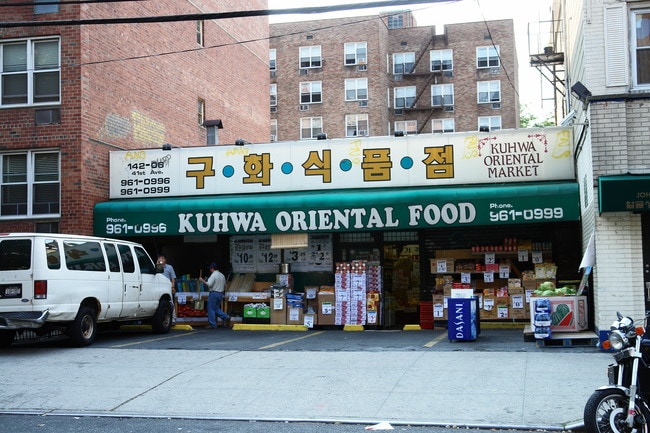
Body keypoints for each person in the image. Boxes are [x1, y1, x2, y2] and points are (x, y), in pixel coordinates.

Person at [200, 262, 230, 329]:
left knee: (211, 309)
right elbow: (225, 285)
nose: (210, 270)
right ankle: (226, 317)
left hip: (214, 293)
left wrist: (202, 280)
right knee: (216, 308)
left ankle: (213, 324)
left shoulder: (213, 275)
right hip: (220, 294)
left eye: (210, 268)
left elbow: (209, 284)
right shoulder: (222, 275)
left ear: (212, 268)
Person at [157, 255, 177, 324]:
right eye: (159, 258)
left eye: (162, 258)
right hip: (159, 288)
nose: (161, 260)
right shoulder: (158, 266)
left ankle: (173, 318)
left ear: (165, 260)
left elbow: (173, 278)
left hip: (168, 287)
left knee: (170, 303)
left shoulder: (169, 267)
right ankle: (163, 319)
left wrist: (173, 287)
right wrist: (157, 264)